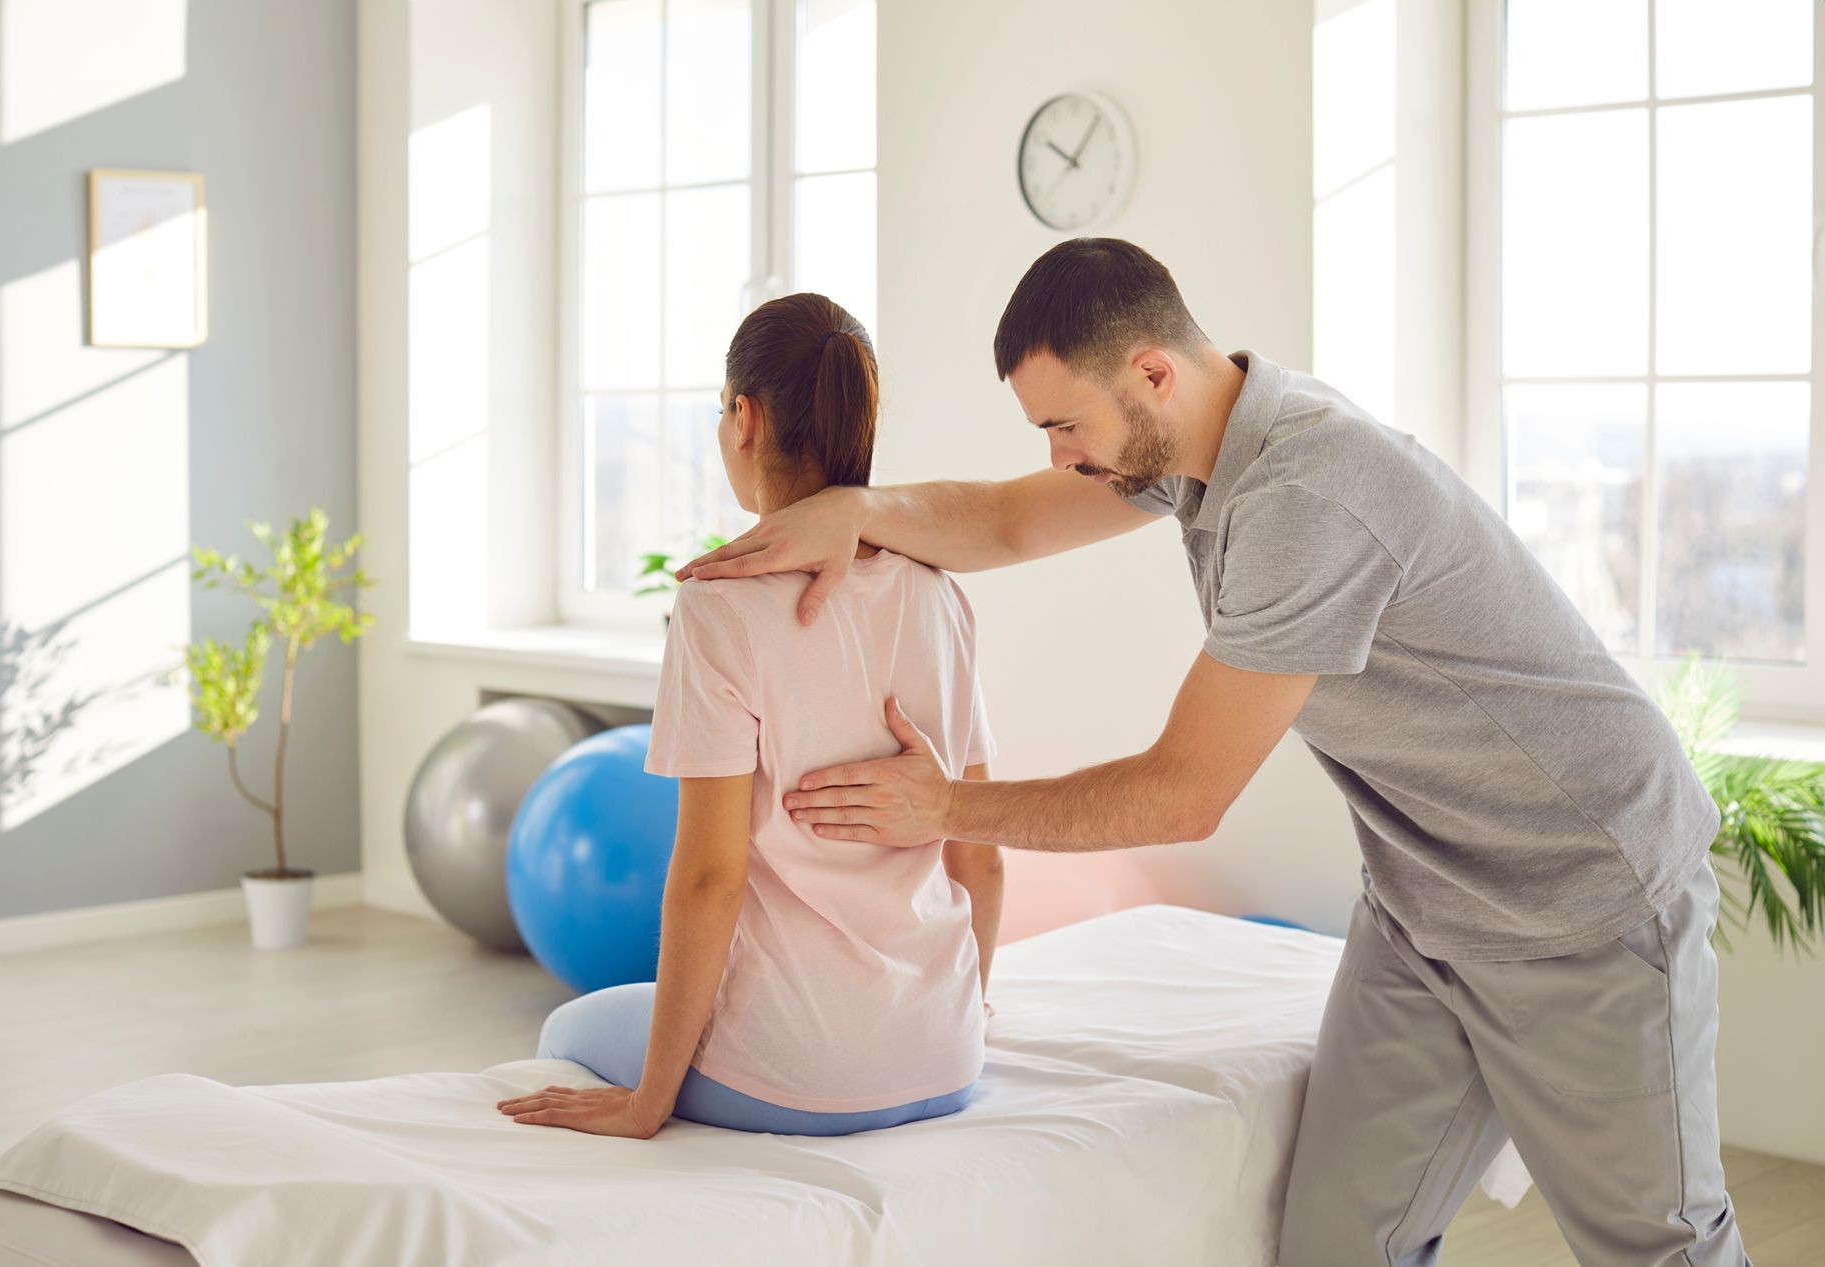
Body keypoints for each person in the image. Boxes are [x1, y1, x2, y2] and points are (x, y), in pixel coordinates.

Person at [674, 239, 1749, 1265]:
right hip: (1427, 901)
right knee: (1343, 1246)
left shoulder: (1306, 494)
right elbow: (1003, 525)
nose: (1058, 456)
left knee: (1658, 1247)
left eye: (1063, 424)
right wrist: (853, 514)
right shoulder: (1193, 447)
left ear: (1149, 370)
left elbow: (1182, 795)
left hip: (1584, 893)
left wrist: (943, 807)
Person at [496, 292, 1002, 1140]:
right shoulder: (940, 594)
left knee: (567, 1031)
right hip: (949, 1055)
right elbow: (978, 856)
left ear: (744, 416)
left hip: (802, 1074)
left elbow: (708, 876)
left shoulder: (720, 604)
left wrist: (645, 1103)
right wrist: (964, 1019)